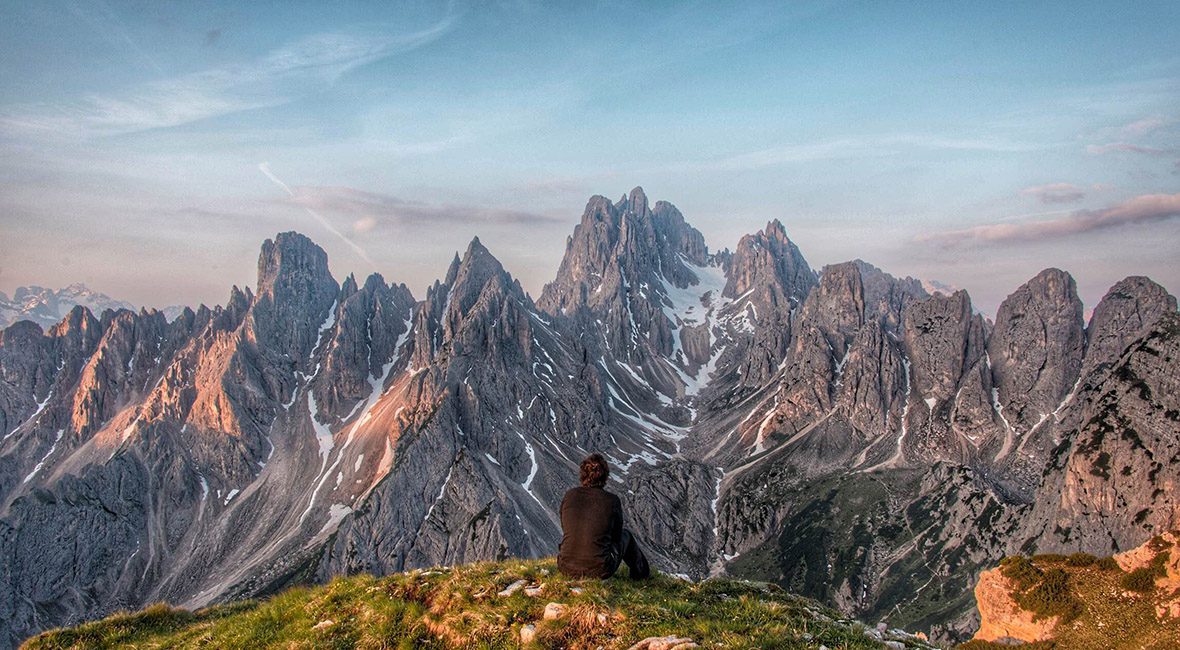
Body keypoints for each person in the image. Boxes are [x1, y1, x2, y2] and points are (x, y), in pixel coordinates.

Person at [557, 453, 651, 579]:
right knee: (626, 536)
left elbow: (565, 526)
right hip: (599, 570)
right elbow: (617, 536)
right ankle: (641, 575)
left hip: (565, 567)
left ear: (582, 474)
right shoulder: (612, 501)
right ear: (605, 476)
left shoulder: (570, 495)